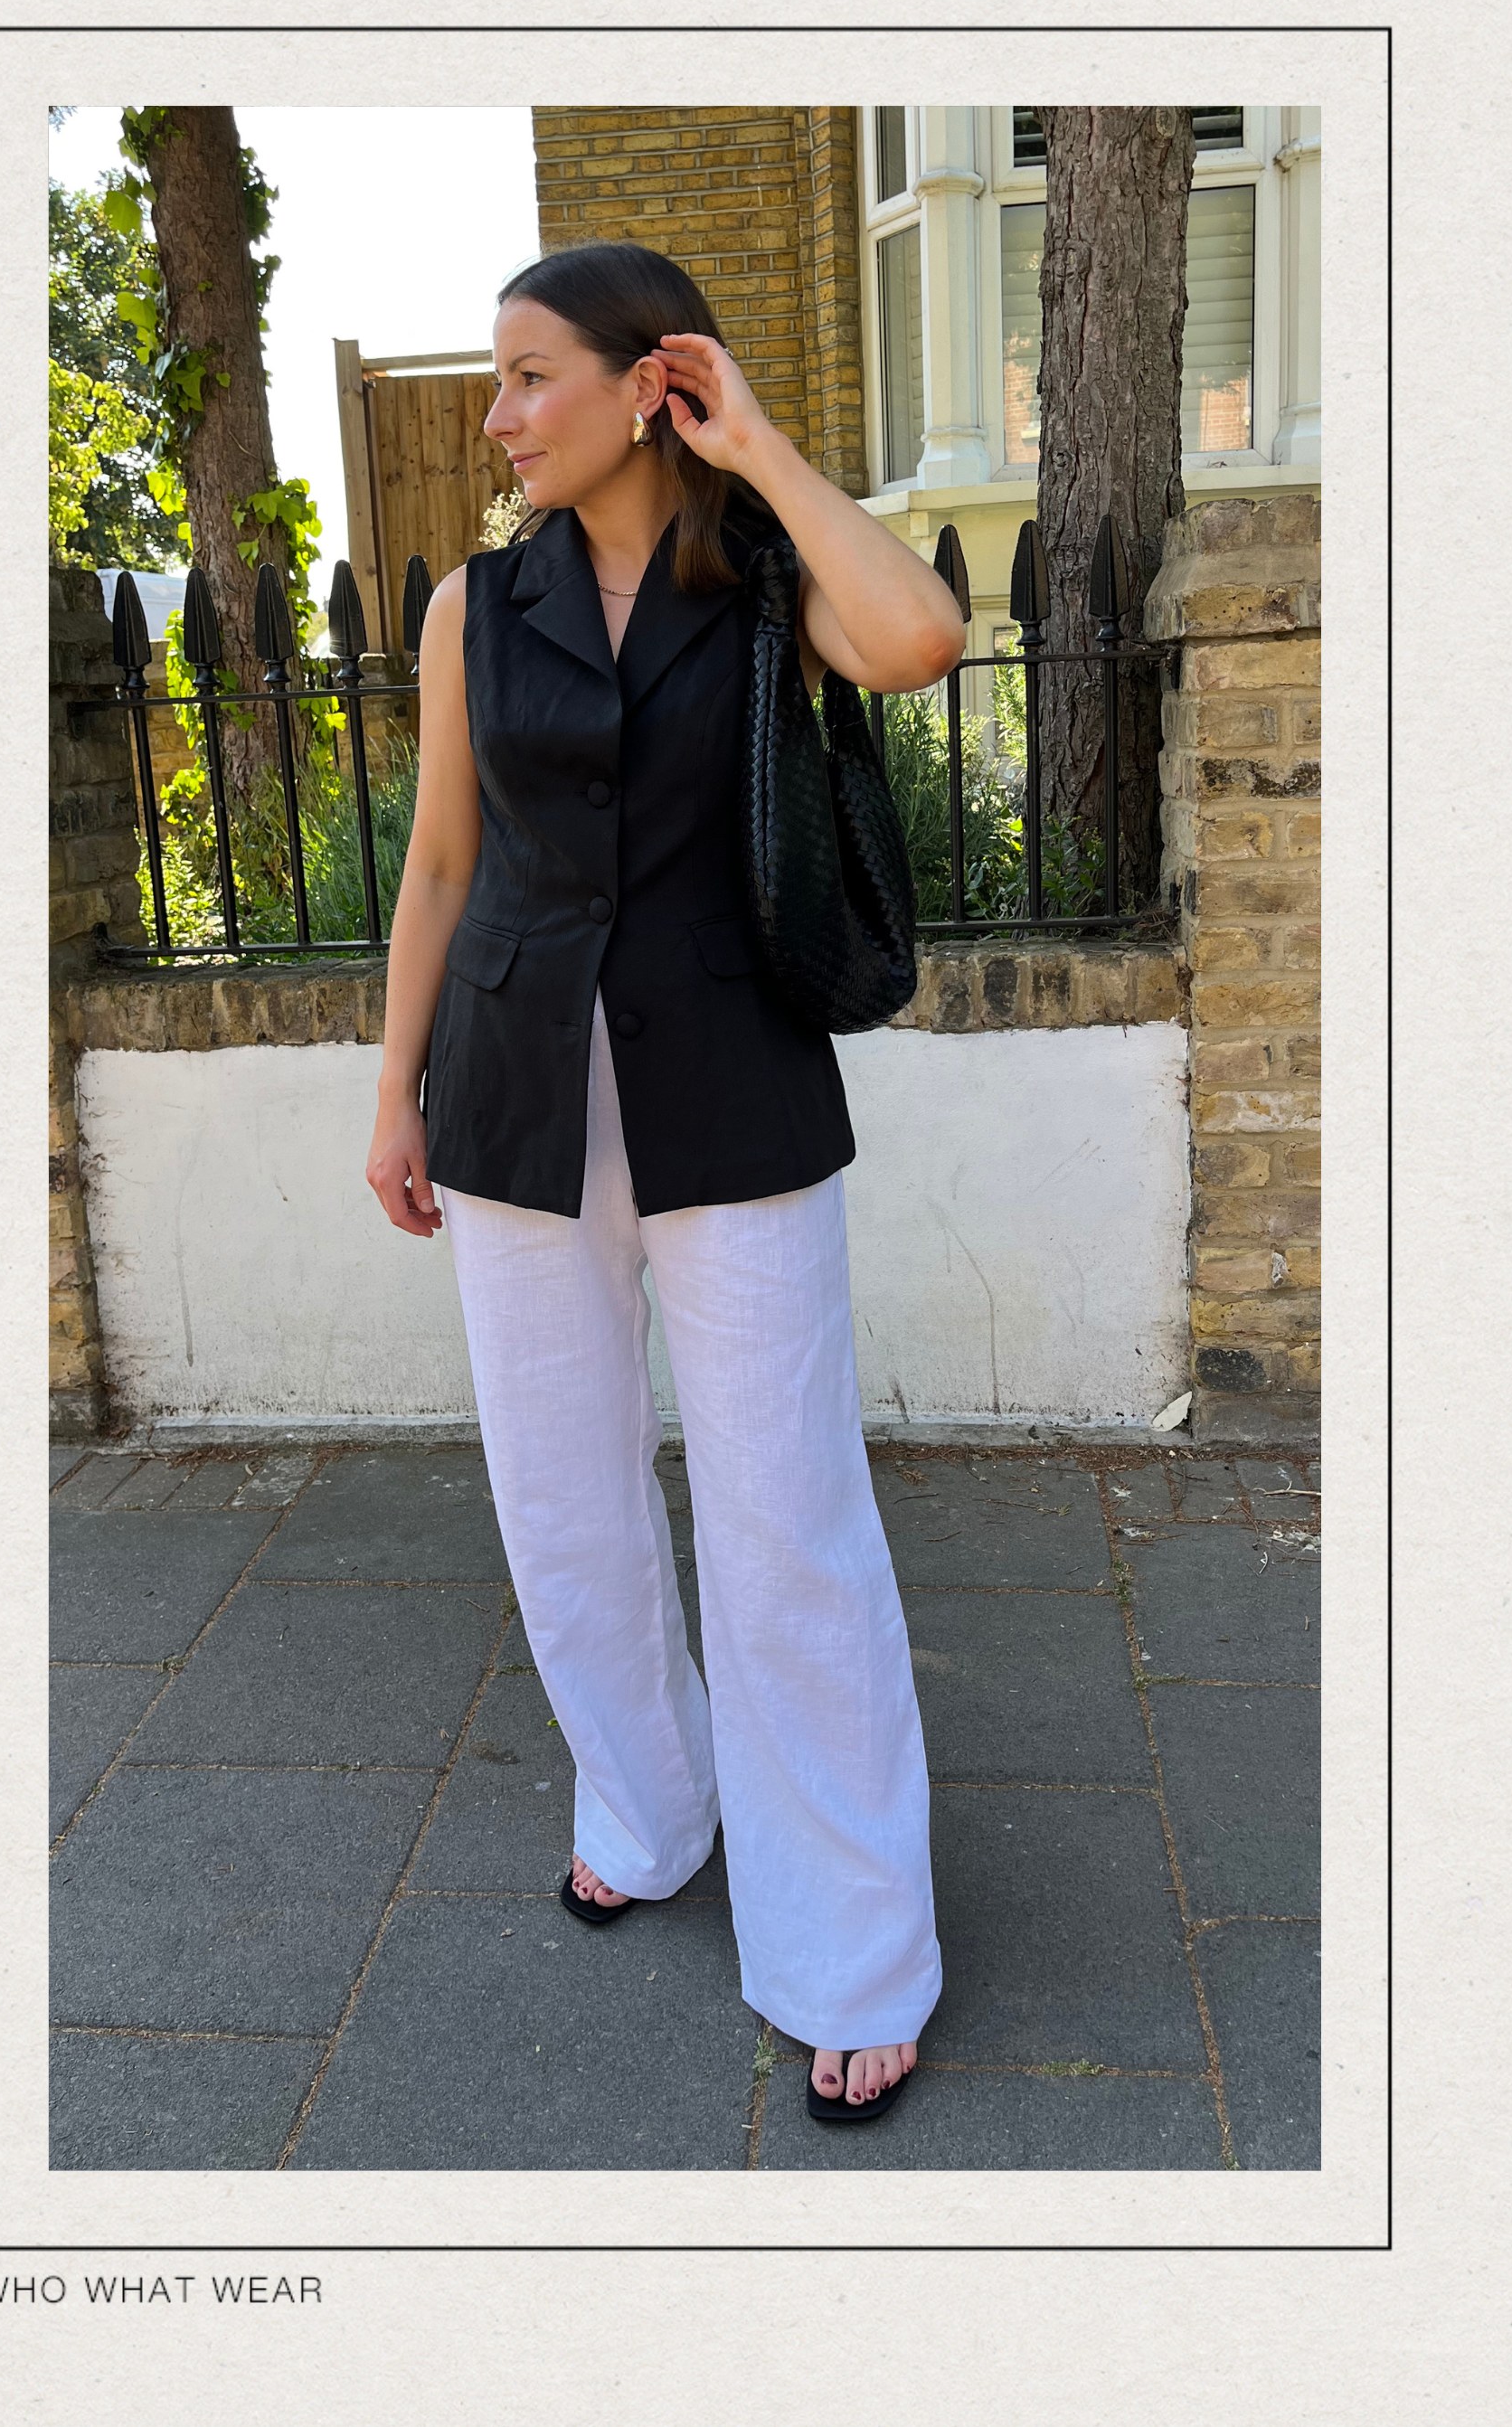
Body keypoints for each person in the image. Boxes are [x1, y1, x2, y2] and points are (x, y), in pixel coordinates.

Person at [364, 241, 967, 2123]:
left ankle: (852, 1946)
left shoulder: (766, 578)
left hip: (734, 1094)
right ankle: (649, 1803)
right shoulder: (476, 606)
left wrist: (761, 446)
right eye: (495, 376)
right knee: (564, 1503)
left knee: (787, 1522)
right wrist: (394, 1093)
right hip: (514, 1099)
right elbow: (442, 860)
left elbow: (923, 640)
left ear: (650, 384)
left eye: (530, 373)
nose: (497, 413)